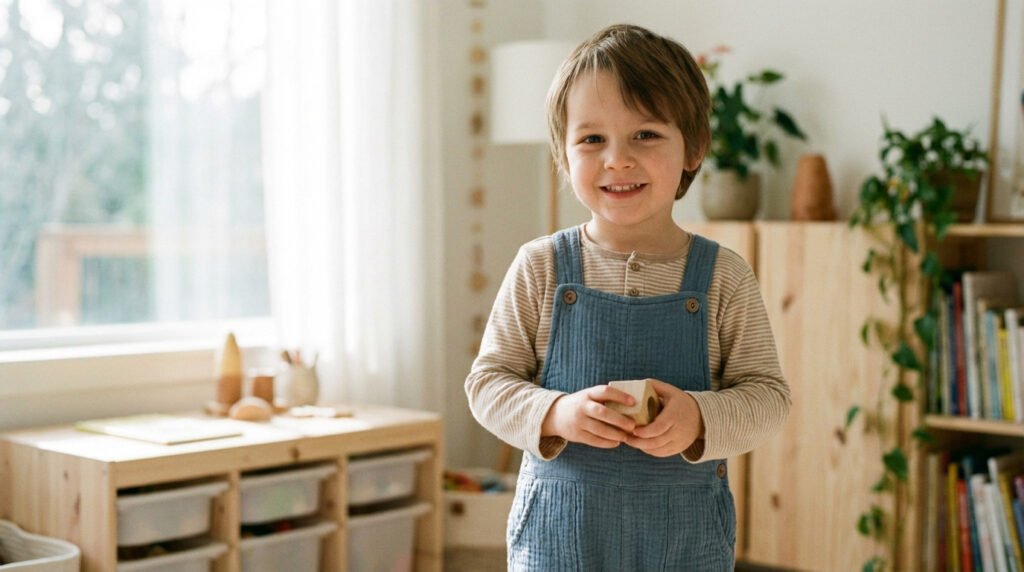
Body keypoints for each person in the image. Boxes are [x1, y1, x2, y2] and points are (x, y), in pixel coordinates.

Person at [465, 23, 791, 571]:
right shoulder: (540, 266)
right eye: (592, 139)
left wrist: (699, 417)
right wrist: (556, 412)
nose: (617, 159)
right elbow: (487, 384)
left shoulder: (724, 277)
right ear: (563, 155)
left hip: (684, 546)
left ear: (694, 148)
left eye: (645, 134)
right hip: (559, 542)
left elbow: (768, 398)